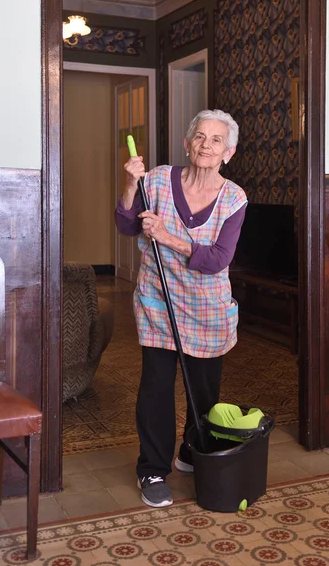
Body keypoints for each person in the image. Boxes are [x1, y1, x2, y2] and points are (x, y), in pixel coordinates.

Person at [115, 109, 247, 508]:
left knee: (203, 393)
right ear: (188, 144)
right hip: (158, 299)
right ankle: (152, 468)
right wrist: (129, 184)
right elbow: (126, 225)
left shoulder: (234, 198)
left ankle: (192, 451)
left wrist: (170, 237)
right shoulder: (155, 180)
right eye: (200, 137)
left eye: (216, 140)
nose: (206, 145)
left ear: (229, 152)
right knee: (155, 387)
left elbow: (218, 258)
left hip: (208, 309)